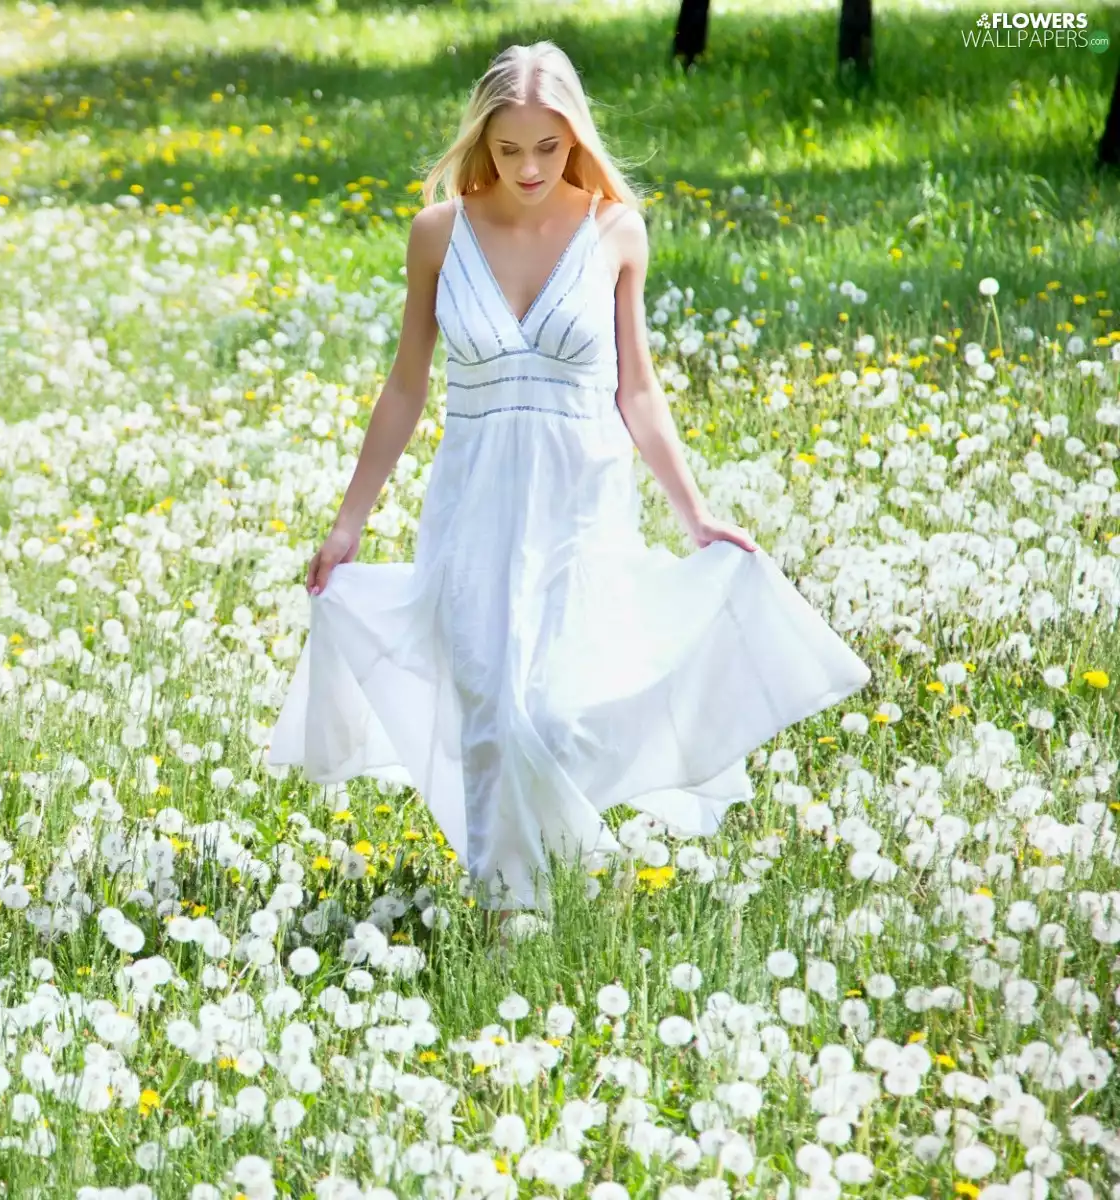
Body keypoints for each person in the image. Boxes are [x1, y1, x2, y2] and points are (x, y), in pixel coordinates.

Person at [266, 41, 871, 917]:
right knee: (489, 718)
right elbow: (405, 386)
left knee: (550, 713)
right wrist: (349, 521)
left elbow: (637, 386)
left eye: (547, 148)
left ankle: (564, 875)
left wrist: (695, 513)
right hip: (472, 500)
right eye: (509, 149)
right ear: (483, 140)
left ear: (574, 137)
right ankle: (511, 914)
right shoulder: (437, 233)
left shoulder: (615, 229)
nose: (529, 168)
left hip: (579, 499)